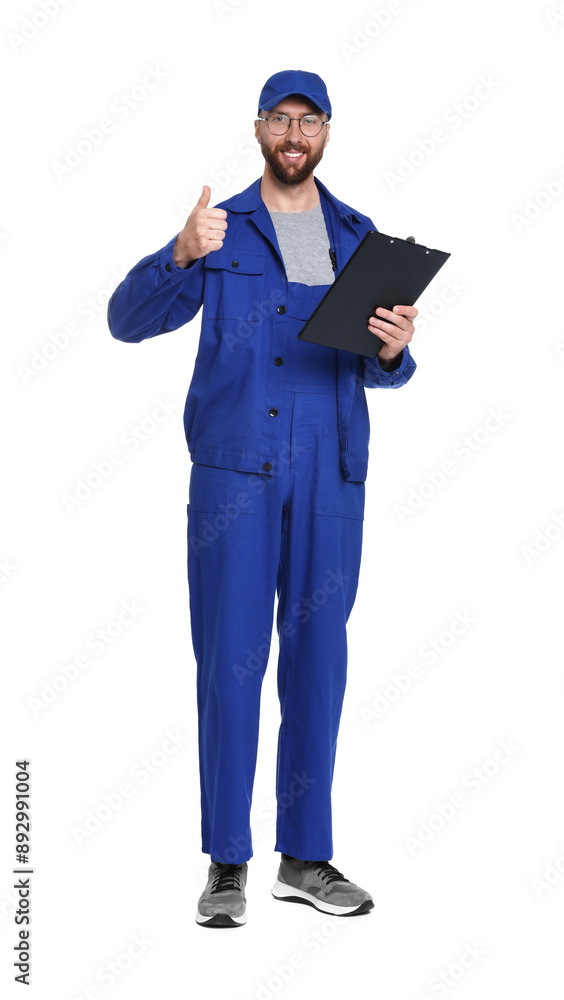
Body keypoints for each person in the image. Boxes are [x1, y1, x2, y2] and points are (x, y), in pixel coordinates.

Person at [107, 69, 418, 928]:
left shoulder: (356, 238)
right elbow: (124, 322)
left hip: (330, 472)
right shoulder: (220, 229)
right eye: (279, 119)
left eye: (307, 121)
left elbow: (383, 367)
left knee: (320, 660)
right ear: (257, 130)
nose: (292, 133)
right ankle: (226, 864)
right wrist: (176, 257)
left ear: (325, 133)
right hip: (234, 473)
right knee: (230, 664)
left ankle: (306, 858)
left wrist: (392, 352)